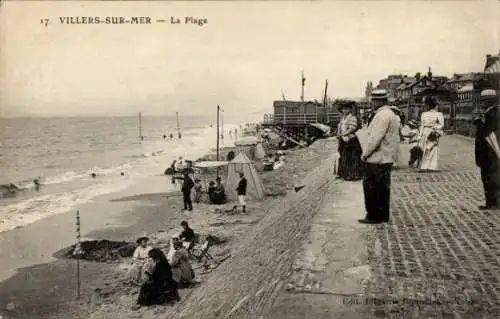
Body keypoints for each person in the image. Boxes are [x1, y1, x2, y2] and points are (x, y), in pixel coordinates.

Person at [359, 89, 401, 224]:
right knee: (383, 188)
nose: (371, 103)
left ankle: (373, 216)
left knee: (371, 187)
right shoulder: (390, 114)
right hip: (387, 157)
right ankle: (383, 215)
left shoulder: (380, 116)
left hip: (377, 158)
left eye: (373, 100)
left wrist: (365, 154)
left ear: (379, 101)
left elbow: (375, 138)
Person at [474, 89, 500, 210]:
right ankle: (490, 202)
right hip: (487, 151)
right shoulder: (490, 113)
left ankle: (494, 202)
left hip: (490, 151)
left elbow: (489, 132)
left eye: (484, 101)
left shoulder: (494, 114)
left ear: (490, 101)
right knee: (487, 177)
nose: (482, 103)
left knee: (492, 176)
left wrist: (479, 124)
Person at [336, 101, 364, 181]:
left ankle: (354, 175)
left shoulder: (352, 117)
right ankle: (345, 174)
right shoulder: (343, 118)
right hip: (344, 139)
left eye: (346, 109)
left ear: (350, 110)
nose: (344, 111)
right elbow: (340, 127)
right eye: (343, 109)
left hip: (351, 140)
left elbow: (353, 128)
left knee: (352, 157)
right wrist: (339, 134)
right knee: (344, 156)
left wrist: (344, 133)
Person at [417, 96, 444, 172]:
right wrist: (435, 128)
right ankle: (432, 167)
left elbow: (422, 126)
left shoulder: (423, 114)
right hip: (433, 132)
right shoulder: (438, 114)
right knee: (433, 148)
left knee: (425, 148)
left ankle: (423, 166)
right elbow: (441, 125)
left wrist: (419, 135)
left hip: (425, 131)